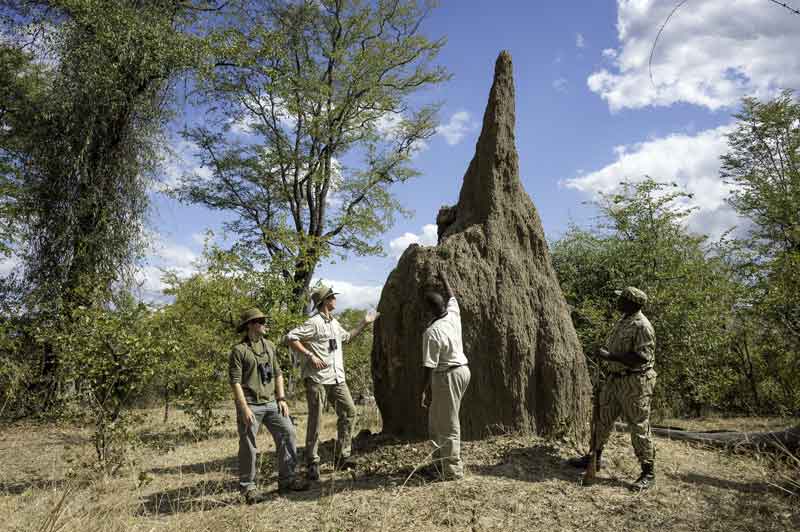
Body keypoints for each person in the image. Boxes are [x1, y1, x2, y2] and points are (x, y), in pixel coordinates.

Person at [286, 284, 379, 481]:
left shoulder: (334, 323)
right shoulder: (314, 322)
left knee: (349, 412)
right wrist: (310, 355)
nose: (335, 299)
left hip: (337, 377)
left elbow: (346, 338)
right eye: (332, 297)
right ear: (325, 301)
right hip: (317, 378)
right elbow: (291, 337)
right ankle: (312, 461)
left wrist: (365, 322)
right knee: (316, 419)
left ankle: (343, 455)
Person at [568, 286, 657, 491]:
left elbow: (642, 358)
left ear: (631, 303)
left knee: (639, 426)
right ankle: (594, 458)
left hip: (635, 383)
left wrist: (610, 357)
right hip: (614, 380)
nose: (617, 302)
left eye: (621, 299)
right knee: (602, 420)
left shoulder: (642, 326)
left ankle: (648, 472)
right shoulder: (624, 320)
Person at [229, 307, 309, 503]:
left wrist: (281, 399)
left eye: (264, 321)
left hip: (272, 403)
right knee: (248, 445)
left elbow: (278, 374)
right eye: (260, 321)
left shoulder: (270, 346)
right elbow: (235, 382)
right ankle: (248, 488)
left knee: (288, 433)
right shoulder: (239, 351)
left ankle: (287, 480)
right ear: (250, 325)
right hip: (250, 404)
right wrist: (244, 408)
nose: (265, 324)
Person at [421, 270, 471, 480]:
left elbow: (428, 366)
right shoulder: (452, 314)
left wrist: (423, 390)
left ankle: (452, 471)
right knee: (436, 421)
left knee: (449, 424)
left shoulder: (431, 333)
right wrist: (444, 278)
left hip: (447, 375)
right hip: (462, 371)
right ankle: (438, 463)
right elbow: (452, 296)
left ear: (428, 311)